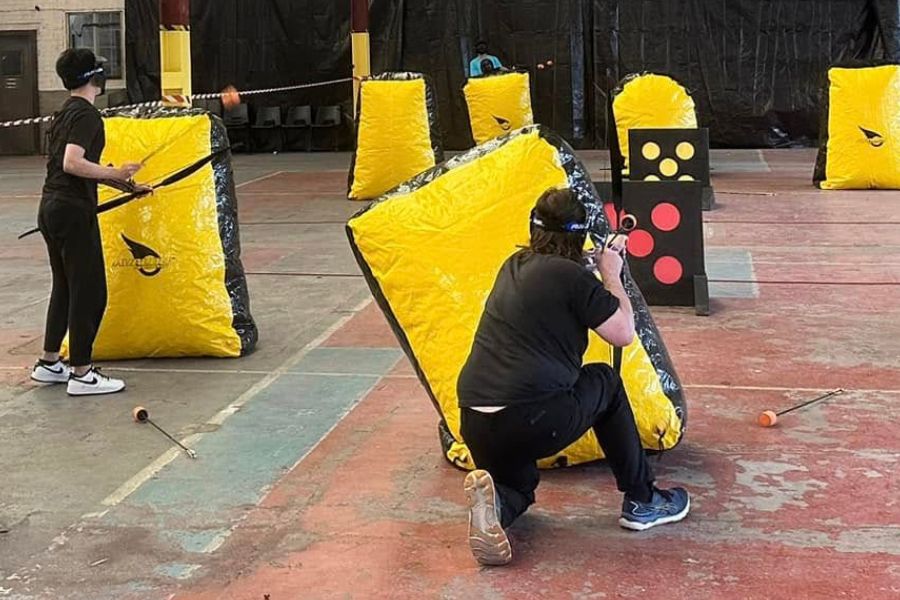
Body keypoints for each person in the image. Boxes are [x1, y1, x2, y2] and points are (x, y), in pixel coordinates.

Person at [457, 187, 690, 566]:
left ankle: (496, 508)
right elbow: (623, 332)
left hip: (476, 421)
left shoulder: (514, 264)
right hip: (530, 420)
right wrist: (613, 274)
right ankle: (643, 500)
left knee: (521, 485)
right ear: (580, 233)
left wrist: (593, 263)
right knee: (606, 381)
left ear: (534, 230)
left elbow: (560, 276)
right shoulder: (573, 279)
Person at [30, 48, 145, 396]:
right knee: (89, 291)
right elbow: (72, 163)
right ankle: (81, 373)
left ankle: (51, 362)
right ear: (95, 78)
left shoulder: (64, 113)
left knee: (65, 286)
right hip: (71, 211)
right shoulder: (88, 116)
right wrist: (114, 171)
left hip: (51, 206)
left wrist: (125, 184)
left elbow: (75, 170)